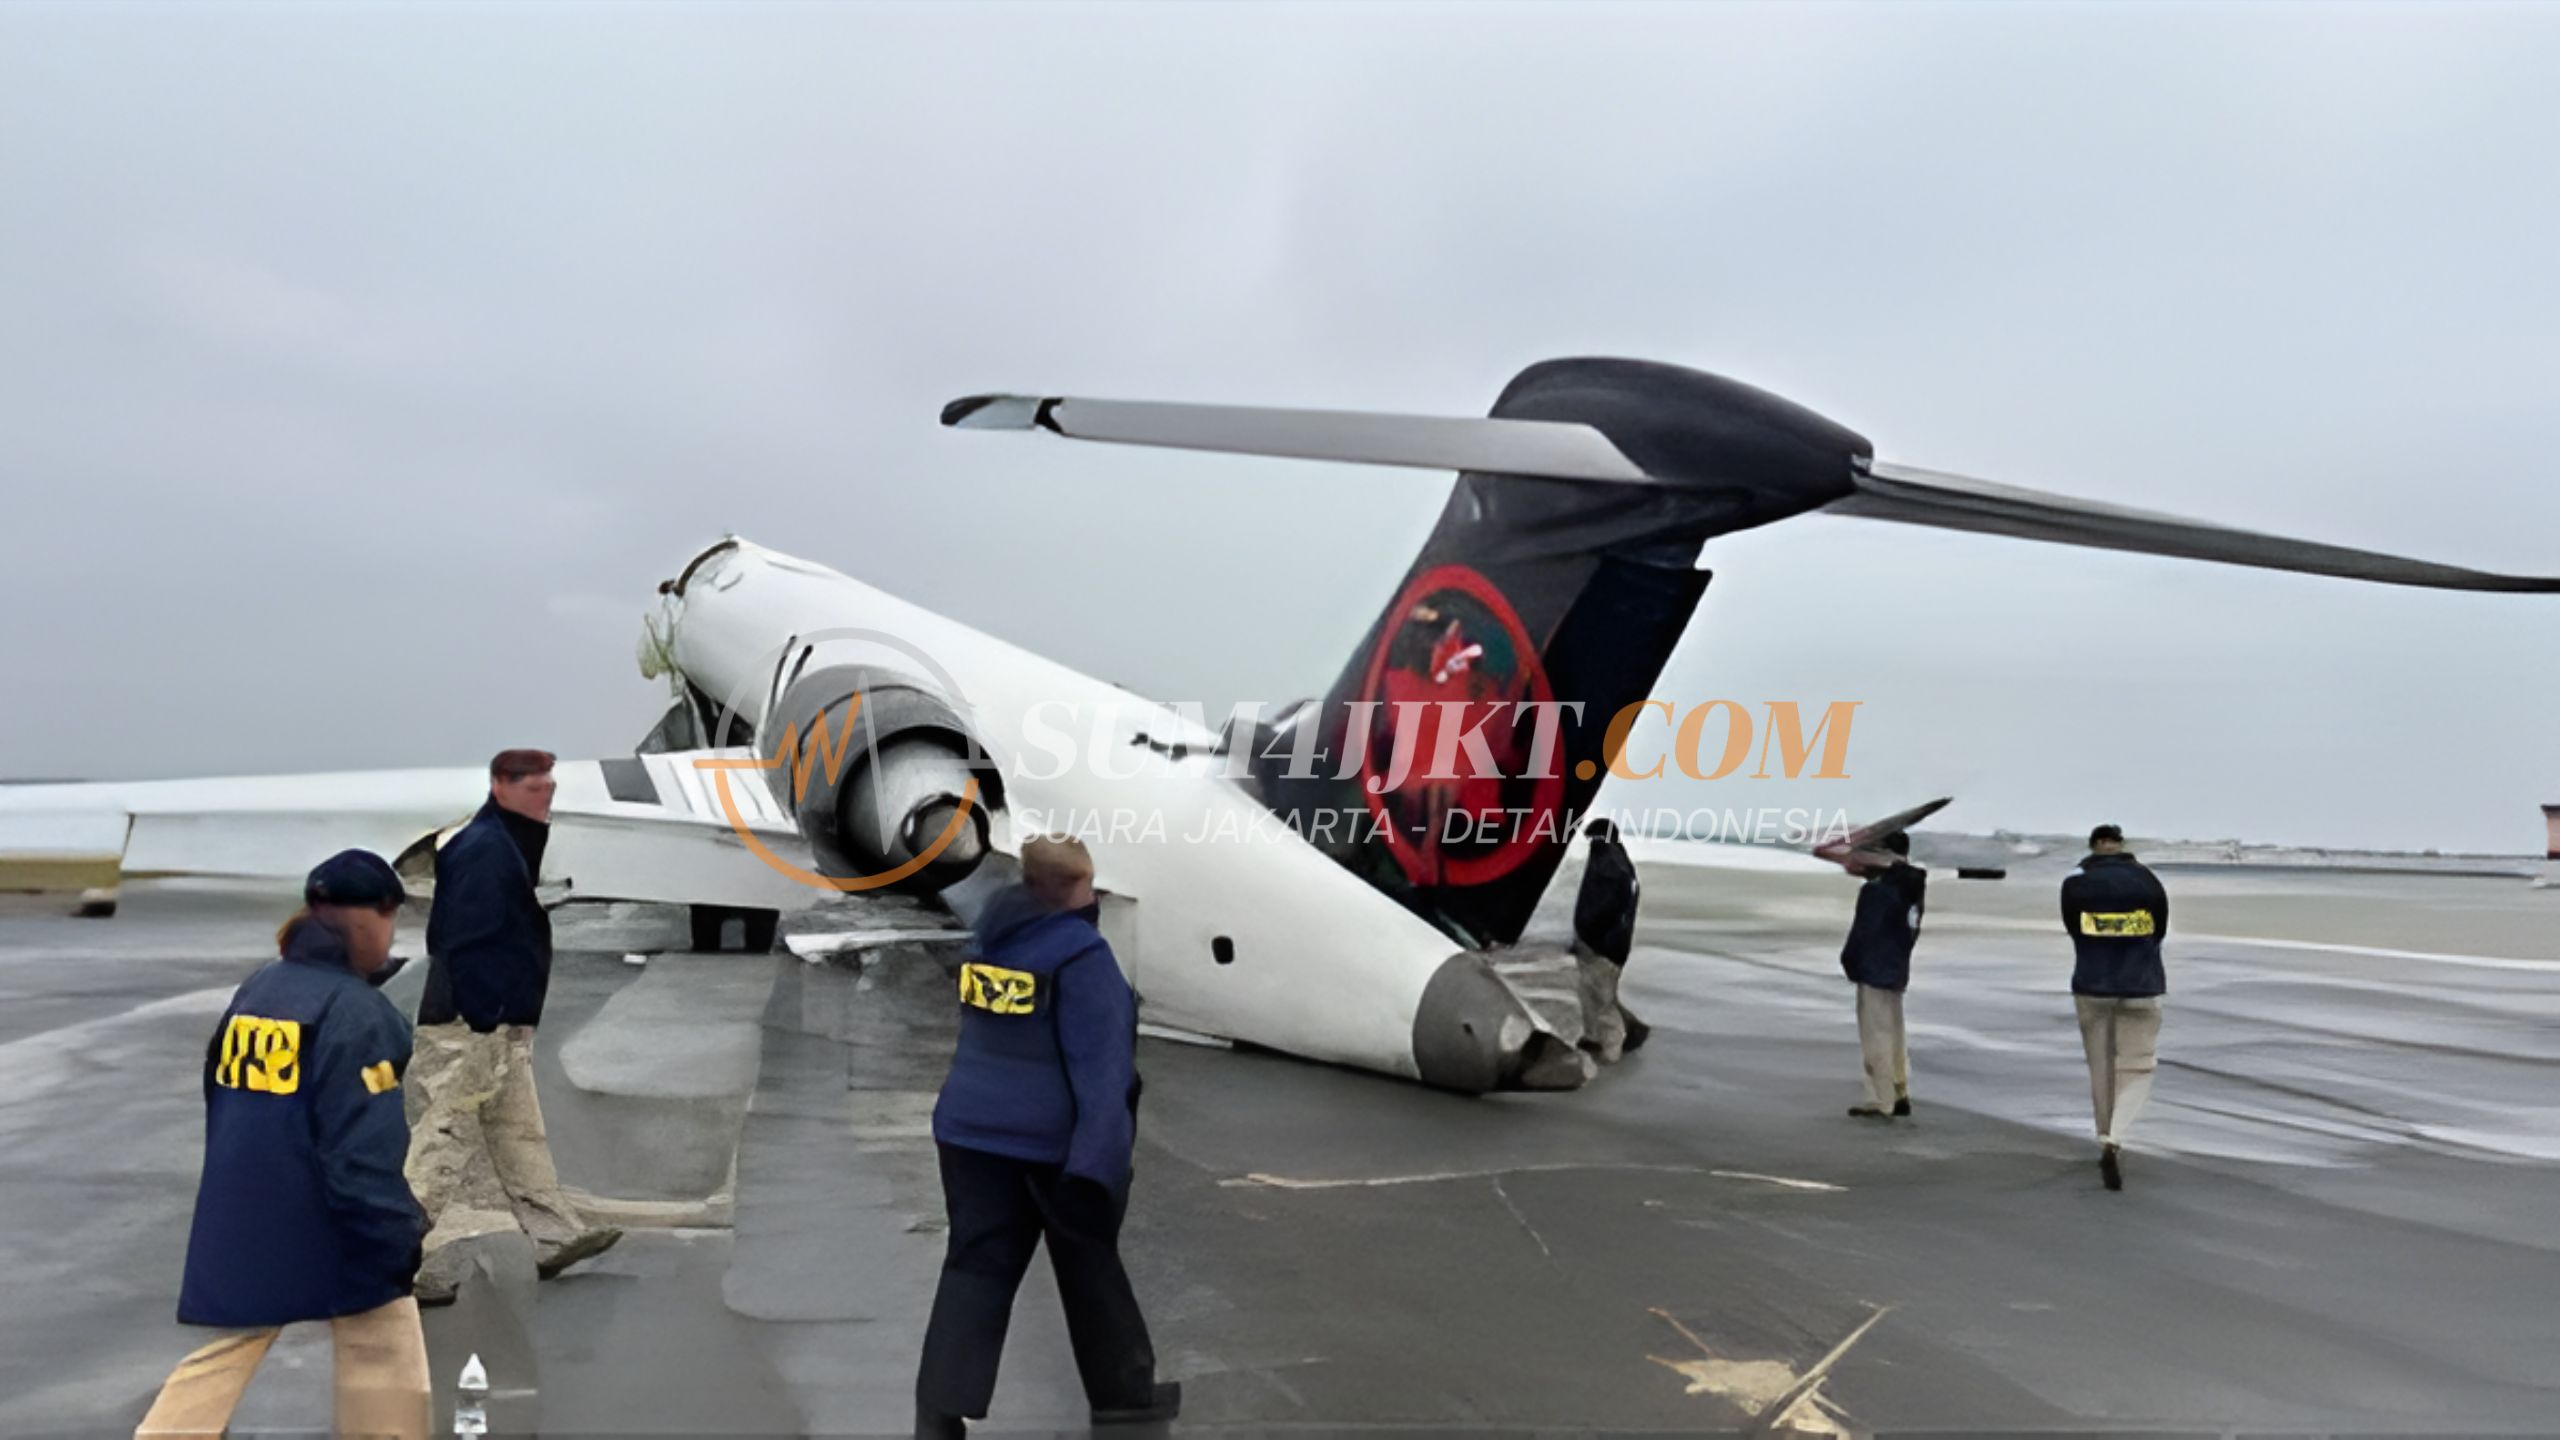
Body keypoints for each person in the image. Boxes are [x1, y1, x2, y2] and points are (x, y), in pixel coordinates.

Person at [136, 851, 431, 1440]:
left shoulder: (263, 987)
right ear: (370, 919)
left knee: (231, 1346)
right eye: (389, 919)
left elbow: (216, 1084)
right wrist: (398, 1234)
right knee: (385, 1335)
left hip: (245, 1202)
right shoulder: (357, 1014)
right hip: (324, 1214)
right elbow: (361, 1151)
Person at [914, 836, 1178, 1438]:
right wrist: (1098, 1172)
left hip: (968, 1136)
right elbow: (1104, 1075)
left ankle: (937, 1413)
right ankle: (1126, 1400)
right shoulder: (1083, 959)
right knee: (1091, 1271)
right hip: (1047, 1151)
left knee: (974, 1270)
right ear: (1077, 890)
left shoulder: (990, 941)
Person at [407, 749, 617, 1304]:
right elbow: (462, 940)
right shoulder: (484, 849)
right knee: (442, 1139)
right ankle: (397, 1256)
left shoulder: (508, 842)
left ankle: (553, 1237)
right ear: (500, 786)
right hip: (472, 1021)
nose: (544, 796)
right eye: (532, 788)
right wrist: (484, 1018)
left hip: (501, 1019)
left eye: (549, 787)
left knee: (516, 1131)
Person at [2061, 823, 2170, 1191]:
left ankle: (2102, 1131)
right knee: (2137, 1066)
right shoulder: (2147, 880)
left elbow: (2072, 928)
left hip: (2092, 982)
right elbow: (2160, 930)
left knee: (2101, 1067)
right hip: (2141, 983)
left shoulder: (2075, 882)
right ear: (2121, 845)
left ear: (2093, 847)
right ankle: (2116, 1135)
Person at [1839, 831, 1925, 1119]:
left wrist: (1850, 961)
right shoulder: (1912, 884)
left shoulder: (1876, 891)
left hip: (1874, 966)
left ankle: (1881, 1098)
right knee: (1895, 1032)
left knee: (1876, 1034)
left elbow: (1864, 932)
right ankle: (1899, 1090)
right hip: (1897, 965)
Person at [1570, 817, 1650, 1061]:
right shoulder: (1621, 861)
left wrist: (1586, 928)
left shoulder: (1606, 862)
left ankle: (1611, 1048)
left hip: (1602, 943)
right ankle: (1629, 1032)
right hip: (1615, 943)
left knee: (1600, 997)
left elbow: (1601, 903)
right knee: (1600, 992)